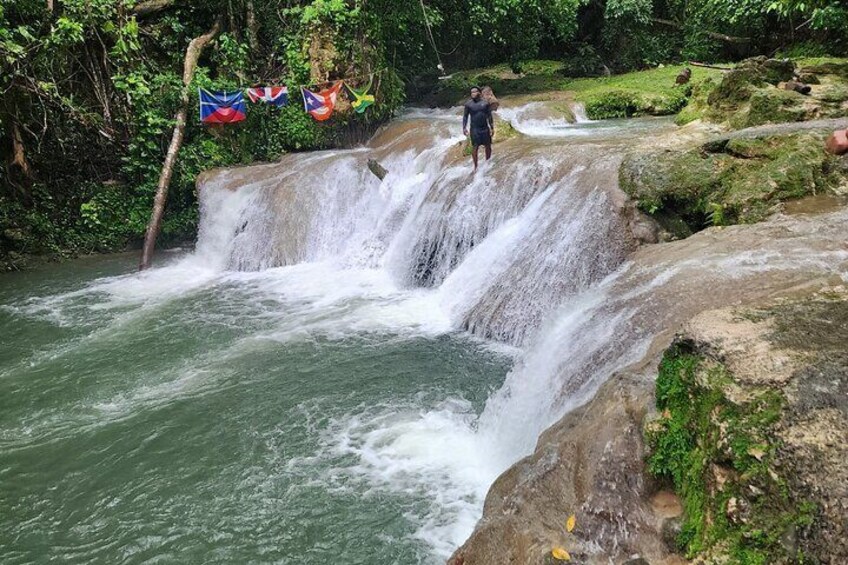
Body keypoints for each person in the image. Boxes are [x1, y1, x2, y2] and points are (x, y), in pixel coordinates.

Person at [462, 86, 494, 172]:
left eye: (474, 92)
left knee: (488, 146)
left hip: (484, 128)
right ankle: (476, 166)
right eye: (471, 92)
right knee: (475, 147)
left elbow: (489, 116)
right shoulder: (468, 104)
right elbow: (465, 117)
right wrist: (464, 128)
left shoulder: (485, 103)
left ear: (479, 93)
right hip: (475, 129)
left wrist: (492, 127)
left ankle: (487, 162)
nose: (473, 94)